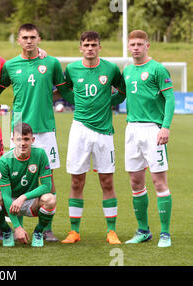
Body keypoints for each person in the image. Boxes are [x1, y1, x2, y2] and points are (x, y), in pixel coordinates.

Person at [0, 23, 73, 242]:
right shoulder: (10, 66)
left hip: (45, 128)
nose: (29, 41)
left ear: (39, 39)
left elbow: (64, 91)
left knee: (49, 178)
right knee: (12, 177)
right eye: (25, 37)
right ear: (18, 40)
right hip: (19, 128)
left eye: (33, 37)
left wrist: (47, 98)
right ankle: (14, 223)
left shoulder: (51, 63)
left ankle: (46, 227)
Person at [61, 31, 126, 245]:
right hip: (79, 129)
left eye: (94, 44)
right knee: (77, 180)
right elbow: (65, 90)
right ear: (80, 47)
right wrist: (76, 103)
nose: (90, 48)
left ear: (100, 47)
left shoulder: (111, 68)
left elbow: (123, 91)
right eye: (86, 44)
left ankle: (111, 231)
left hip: (104, 131)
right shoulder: (71, 69)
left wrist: (109, 102)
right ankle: (74, 231)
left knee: (107, 181)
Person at [122, 30, 174, 248]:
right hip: (131, 129)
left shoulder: (157, 69)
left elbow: (170, 98)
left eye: (139, 44)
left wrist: (165, 127)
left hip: (153, 130)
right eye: (132, 44)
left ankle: (165, 234)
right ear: (128, 46)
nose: (135, 47)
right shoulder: (126, 70)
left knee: (158, 181)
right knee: (135, 181)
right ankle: (143, 230)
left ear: (147, 45)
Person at [0, 123, 56, 247]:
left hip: (30, 201)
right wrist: (17, 227)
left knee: (50, 200)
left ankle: (38, 232)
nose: (22, 143)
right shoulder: (4, 161)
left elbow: (47, 186)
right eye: (19, 139)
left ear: (32, 140)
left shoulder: (40, 154)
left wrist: (23, 197)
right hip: (11, 202)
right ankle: (7, 231)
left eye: (26, 139)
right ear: (13, 140)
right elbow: (6, 196)